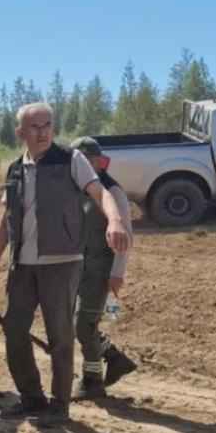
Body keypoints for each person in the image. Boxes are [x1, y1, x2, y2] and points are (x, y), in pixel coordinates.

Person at [0, 103, 131, 426]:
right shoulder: (14, 169)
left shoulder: (71, 159)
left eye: (47, 125)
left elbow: (101, 193)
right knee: (14, 331)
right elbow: (5, 220)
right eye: (34, 127)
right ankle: (31, 398)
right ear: (20, 133)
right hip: (21, 266)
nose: (42, 133)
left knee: (60, 337)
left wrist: (115, 220)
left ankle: (59, 405)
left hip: (61, 263)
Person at [70, 137, 139, 400]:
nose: (83, 165)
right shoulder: (77, 189)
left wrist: (117, 273)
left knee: (84, 326)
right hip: (78, 269)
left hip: (100, 270)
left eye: (87, 160)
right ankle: (114, 358)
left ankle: (92, 382)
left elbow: (125, 236)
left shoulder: (112, 191)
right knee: (80, 325)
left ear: (100, 162)